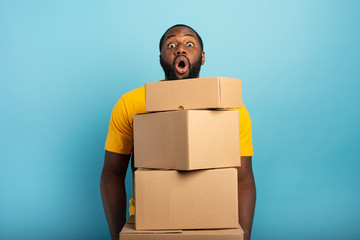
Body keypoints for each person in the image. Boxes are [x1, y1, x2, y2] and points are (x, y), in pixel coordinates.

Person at [100, 24, 256, 240]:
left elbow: (244, 179)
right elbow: (112, 173)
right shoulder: (131, 103)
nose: (180, 49)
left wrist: (243, 236)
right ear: (161, 58)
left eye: (189, 44)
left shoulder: (231, 107)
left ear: (202, 57)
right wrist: (118, 237)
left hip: (215, 224)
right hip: (151, 225)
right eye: (171, 44)